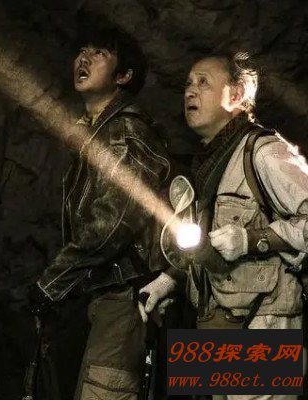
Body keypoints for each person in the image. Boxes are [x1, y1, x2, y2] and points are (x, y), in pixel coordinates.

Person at [140, 52, 308, 400]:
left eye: (203, 82)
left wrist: (251, 240)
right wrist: (170, 280)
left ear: (237, 94)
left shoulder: (263, 151)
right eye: (188, 83)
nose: (190, 91)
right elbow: (207, 245)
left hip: (264, 323)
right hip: (215, 325)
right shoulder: (208, 165)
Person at [30, 25, 172, 400]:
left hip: (122, 295)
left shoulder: (124, 130)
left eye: (100, 53)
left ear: (124, 76)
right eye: (83, 50)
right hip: (98, 294)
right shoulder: (92, 134)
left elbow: (114, 220)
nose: (85, 58)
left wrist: (53, 281)